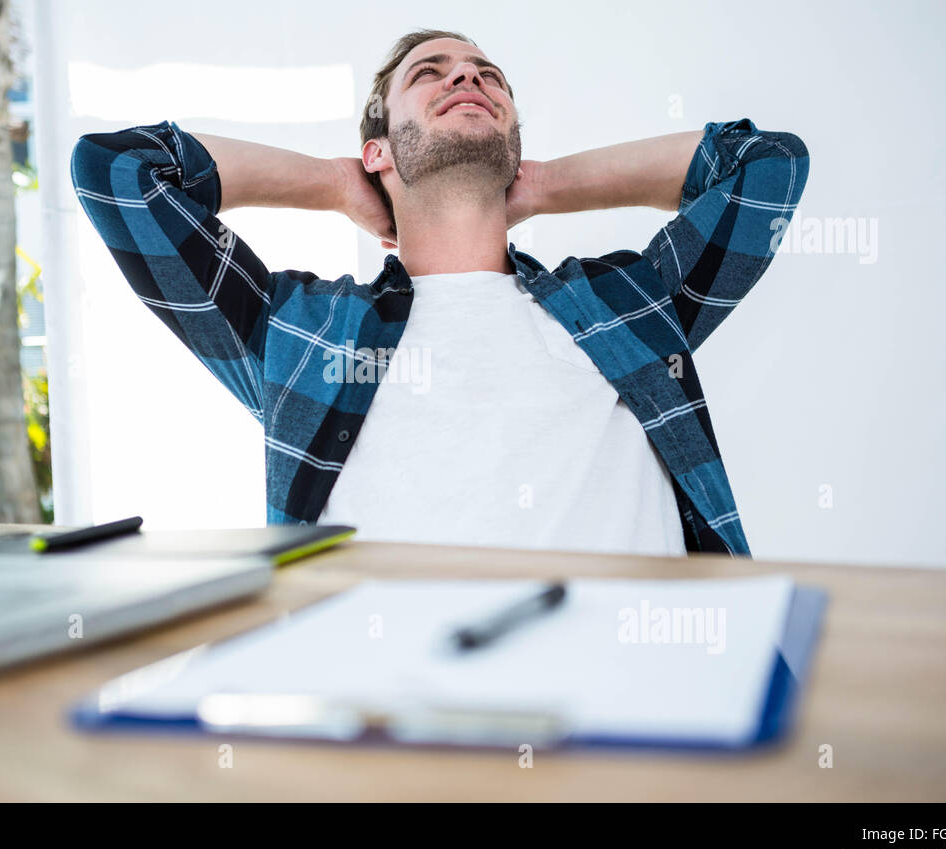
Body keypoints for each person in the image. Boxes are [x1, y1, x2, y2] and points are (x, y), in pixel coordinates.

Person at [70, 28, 809, 556]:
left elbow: (766, 168)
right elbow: (118, 172)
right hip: (390, 742)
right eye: (431, 72)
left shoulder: (629, 303)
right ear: (379, 151)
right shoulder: (303, 334)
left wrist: (545, 185)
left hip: (648, 728)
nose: (468, 79)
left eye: (489, 77)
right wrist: (333, 185)